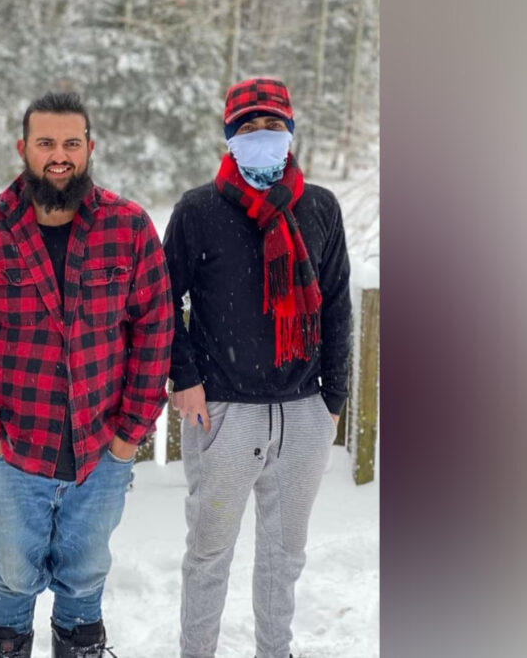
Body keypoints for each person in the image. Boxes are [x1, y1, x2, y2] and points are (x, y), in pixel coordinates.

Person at [0, 92, 173, 658]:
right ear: (23, 148)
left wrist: (128, 436)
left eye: (72, 143)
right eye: (45, 143)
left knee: (86, 575)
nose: (59, 156)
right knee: (15, 576)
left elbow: (154, 332)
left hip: (101, 448)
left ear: (90, 148)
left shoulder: (129, 228)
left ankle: (80, 646)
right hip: (13, 452)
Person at [164, 77, 352, 658]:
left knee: (283, 554)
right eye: (249, 128)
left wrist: (333, 399)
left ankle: (277, 650)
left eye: (273, 127)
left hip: (302, 412)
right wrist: (186, 378)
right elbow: (162, 301)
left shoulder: (318, 207)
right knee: (209, 551)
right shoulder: (199, 210)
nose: (263, 137)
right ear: (229, 138)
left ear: (290, 134)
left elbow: (338, 301)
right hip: (223, 410)